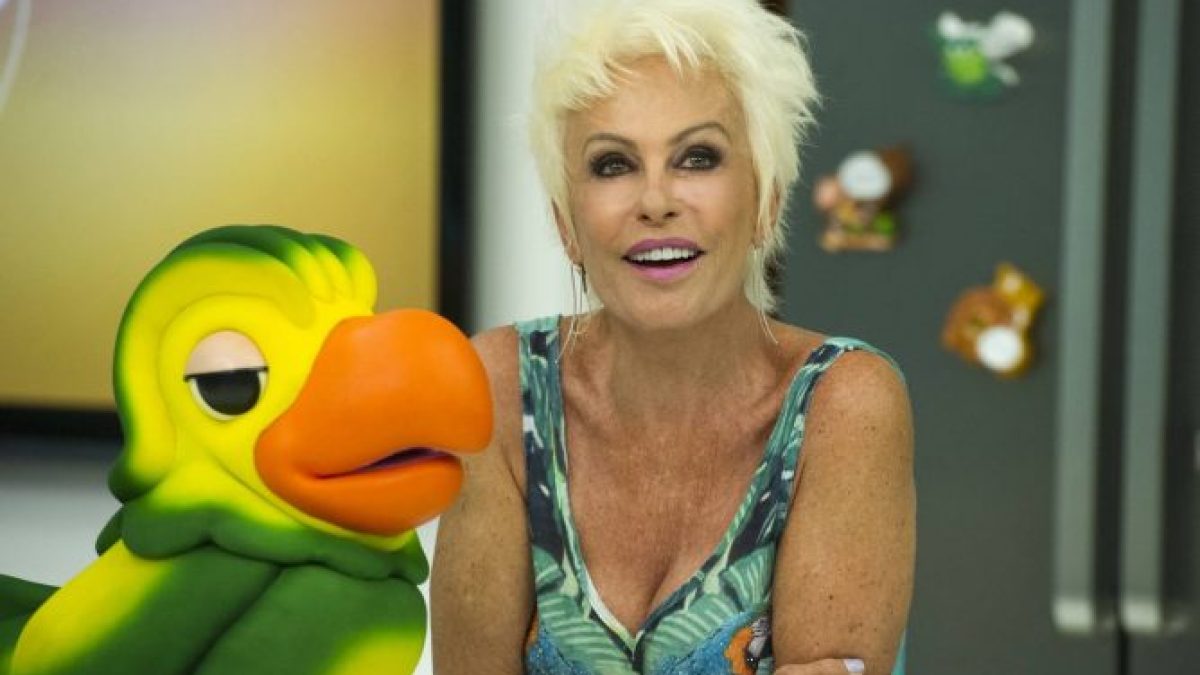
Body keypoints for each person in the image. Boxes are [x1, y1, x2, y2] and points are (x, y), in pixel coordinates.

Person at [431, 1, 914, 673]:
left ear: (767, 201)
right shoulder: (499, 386)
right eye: (612, 164)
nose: (656, 201)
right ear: (566, 224)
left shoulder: (845, 401)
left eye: (697, 157)